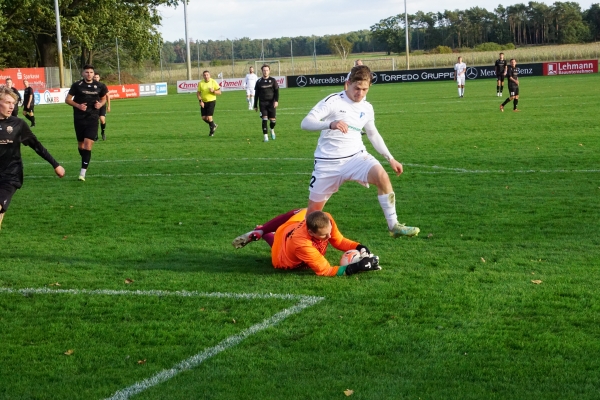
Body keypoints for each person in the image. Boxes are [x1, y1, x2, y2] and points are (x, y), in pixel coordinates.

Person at [300, 65, 420, 238]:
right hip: (328, 164)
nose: (361, 93)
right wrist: (330, 124)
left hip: (356, 158)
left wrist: (390, 158)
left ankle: (394, 226)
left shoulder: (367, 108)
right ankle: (300, 244)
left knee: (382, 177)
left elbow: (372, 133)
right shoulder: (333, 101)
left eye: (365, 89)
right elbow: (306, 123)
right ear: (347, 84)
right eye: (357, 88)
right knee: (312, 215)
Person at [232, 208, 380, 277]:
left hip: (289, 229)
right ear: (311, 232)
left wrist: (360, 247)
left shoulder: (325, 218)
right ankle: (265, 233)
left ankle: (261, 230)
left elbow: (339, 240)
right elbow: (326, 270)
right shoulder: (302, 244)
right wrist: (357, 266)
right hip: (282, 257)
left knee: (299, 211)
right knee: (277, 246)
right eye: (324, 235)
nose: (329, 237)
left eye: (330, 231)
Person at [0, 85, 65, 230]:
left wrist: (55, 164)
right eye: (7, 103)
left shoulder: (18, 124)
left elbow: (36, 145)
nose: (11, 107)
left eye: (13, 103)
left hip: (10, 175)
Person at [65, 64, 108, 181]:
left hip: (93, 119)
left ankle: (82, 173)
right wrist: (78, 105)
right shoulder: (77, 86)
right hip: (79, 119)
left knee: (88, 144)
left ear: (94, 74)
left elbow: (104, 98)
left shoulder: (100, 86)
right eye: (87, 72)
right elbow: (67, 100)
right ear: (83, 73)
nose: (89, 74)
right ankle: (85, 159)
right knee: (81, 146)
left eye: (91, 72)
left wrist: (100, 104)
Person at [254, 64, 279, 142]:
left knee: (273, 121)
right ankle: (265, 137)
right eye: (264, 70)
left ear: (269, 71)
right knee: (264, 119)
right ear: (262, 71)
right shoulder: (259, 82)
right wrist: (255, 105)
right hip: (263, 104)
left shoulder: (273, 80)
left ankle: (271, 129)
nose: (265, 72)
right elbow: (256, 94)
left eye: (267, 70)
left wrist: (276, 101)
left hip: (271, 103)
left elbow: (277, 92)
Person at [196, 70, 221, 137]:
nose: (206, 76)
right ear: (203, 76)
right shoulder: (201, 83)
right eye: (205, 75)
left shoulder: (213, 82)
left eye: (207, 75)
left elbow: (219, 92)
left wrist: (213, 91)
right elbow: (198, 93)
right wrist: (200, 101)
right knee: (204, 118)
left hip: (211, 101)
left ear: (209, 75)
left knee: (209, 117)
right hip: (204, 102)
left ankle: (211, 132)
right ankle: (213, 125)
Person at [93, 73, 110, 140]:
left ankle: (103, 132)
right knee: (95, 120)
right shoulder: (91, 86)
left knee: (102, 120)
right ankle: (95, 136)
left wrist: (109, 106)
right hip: (94, 105)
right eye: (95, 77)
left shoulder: (102, 86)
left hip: (102, 105)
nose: (96, 78)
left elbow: (108, 96)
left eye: (97, 77)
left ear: (99, 78)